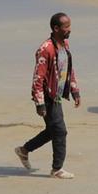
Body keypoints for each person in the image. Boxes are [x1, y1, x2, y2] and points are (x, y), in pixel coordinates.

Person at [15, 12, 81, 179]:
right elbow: (38, 78)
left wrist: (74, 90)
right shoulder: (46, 49)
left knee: (53, 130)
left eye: (70, 26)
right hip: (47, 96)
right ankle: (57, 169)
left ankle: (24, 150)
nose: (69, 30)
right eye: (66, 27)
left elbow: (68, 68)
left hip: (57, 94)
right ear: (56, 28)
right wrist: (40, 103)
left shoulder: (64, 44)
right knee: (60, 131)